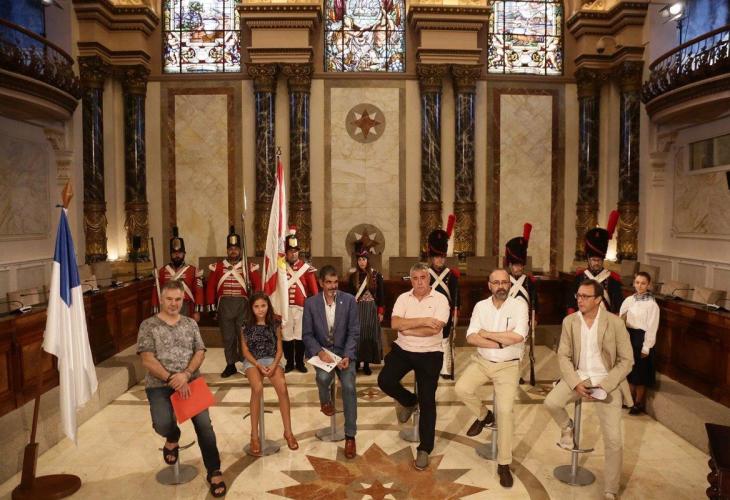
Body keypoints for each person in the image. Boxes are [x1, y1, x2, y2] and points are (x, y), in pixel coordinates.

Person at [544, 280, 634, 500]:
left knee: (613, 440)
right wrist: (575, 382)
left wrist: (605, 386)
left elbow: (627, 360)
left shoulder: (615, 323)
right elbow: (563, 355)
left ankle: (611, 488)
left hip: (607, 381)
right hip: (579, 377)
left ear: (598, 299)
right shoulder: (570, 321)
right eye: (578, 295)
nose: (580, 300)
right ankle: (567, 427)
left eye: (585, 296)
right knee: (551, 402)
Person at [137, 280, 226, 497]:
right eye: (169, 299)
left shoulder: (190, 324)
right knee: (162, 424)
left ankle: (214, 471)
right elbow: (147, 359)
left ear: (183, 300)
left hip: (191, 382)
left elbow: (200, 351)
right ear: (161, 299)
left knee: (205, 427)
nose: (173, 303)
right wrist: (171, 378)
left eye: (178, 299)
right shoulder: (148, 325)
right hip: (160, 384)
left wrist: (185, 374)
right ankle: (172, 437)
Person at [454, 269, 528, 488]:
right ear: (489, 285)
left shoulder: (519, 306)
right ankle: (484, 415)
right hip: (482, 361)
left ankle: (504, 464)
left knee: (505, 412)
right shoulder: (481, 306)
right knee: (461, 388)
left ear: (510, 285)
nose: (501, 286)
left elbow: (518, 336)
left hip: (508, 366)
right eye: (496, 282)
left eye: (505, 282)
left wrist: (486, 334)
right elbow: (471, 337)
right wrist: (501, 342)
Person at [378, 262, 450, 471]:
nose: (419, 282)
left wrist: (408, 327)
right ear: (411, 280)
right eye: (415, 278)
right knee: (385, 380)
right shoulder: (403, 298)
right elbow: (395, 324)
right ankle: (409, 401)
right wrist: (425, 320)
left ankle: (425, 449)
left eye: (423, 278)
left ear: (429, 279)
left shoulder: (441, 299)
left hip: (430, 353)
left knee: (428, 400)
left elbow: (434, 330)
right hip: (403, 349)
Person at [302, 265, 360, 459]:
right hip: (323, 352)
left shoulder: (349, 301)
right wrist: (319, 352)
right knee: (323, 377)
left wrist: (348, 355)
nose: (333, 286)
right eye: (328, 282)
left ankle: (350, 437)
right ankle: (325, 401)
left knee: (349, 387)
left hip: (344, 353)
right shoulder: (311, 303)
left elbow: (354, 332)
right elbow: (307, 334)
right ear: (321, 283)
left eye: (335, 282)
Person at [240, 292, 298, 453]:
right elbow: (245, 351)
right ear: (251, 308)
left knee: (282, 387)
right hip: (253, 361)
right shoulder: (245, 324)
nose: (260, 310)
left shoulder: (275, 322)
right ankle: (254, 436)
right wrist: (257, 365)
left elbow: (279, 349)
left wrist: (274, 364)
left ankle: (288, 432)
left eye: (263, 306)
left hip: (272, 359)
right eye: (256, 306)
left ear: (268, 306)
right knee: (257, 388)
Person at [206, 226, 261, 378]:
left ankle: (247, 363)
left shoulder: (249, 267)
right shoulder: (218, 267)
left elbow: (258, 287)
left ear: (240, 250)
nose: (233, 251)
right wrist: (211, 307)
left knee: (243, 336)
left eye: (236, 248)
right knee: (228, 336)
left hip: (243, 306)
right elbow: (210, 287)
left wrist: (256, 306)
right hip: (224, 306)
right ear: (227, 250)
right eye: (230, 249)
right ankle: (230, 364)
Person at [566, 211, 623, 315]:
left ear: (603, 260)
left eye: (599, 260)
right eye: (593, 260)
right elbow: (571, 300)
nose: (596, 263)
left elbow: (618, 303)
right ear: (588, 260)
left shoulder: (612, 279)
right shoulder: (579, 277)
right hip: (583, 317)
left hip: (605, 318)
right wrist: (572, 317)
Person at [619, 271, 659, 415]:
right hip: (629, 337)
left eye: (643, 283)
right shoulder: (629, 300)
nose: (639, 286)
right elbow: (620, 318)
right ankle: (628, 400)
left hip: (642, 338)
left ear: (648, 285)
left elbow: (652, 327)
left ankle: (638, 403)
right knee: (630, 371)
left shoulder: (652, 304)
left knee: (640, 373)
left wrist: (646, 347)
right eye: (637, 282)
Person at [504, 223, 539, 385]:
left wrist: (535, 318)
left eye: (520, 265)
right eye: (515, 265)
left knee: (521, 349)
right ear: (510, 265)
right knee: (508, 348)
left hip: (523, 320)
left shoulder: (529, 282)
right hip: (506, 320)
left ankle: (516, 374)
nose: (518, 268)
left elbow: (534, 301)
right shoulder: (504, 280)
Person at [426, 216, 460, 379]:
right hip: (429, 310)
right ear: (432, 257)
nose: (440, 260)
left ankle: (445, 368)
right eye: (437, 257)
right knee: (431, 339)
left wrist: (456, 311)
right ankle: (431, 366)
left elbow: (456, 294)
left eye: (442, 257)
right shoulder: (426, 274)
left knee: (445, 339)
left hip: (445, 312)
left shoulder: (451, 275)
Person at [282, 227, 319, 373]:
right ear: (286, 252)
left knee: (300, 336)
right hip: (285, 308)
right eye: (291, 251)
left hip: (302, 308)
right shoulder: (280, 267)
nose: (293, 253)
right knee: (287, 337)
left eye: (296, 251)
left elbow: (314, 291)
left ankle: (299, 362)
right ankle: (289, 362)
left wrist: (315, 309)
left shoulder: (306, 268)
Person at [151, 226, 204, 322]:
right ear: (170, 255)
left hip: (185, 306)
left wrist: (197, 311)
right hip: (167, 306)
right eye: (174, 253)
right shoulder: (162, 271)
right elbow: (156, 291)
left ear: (184, 254)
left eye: (179, 253)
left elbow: (198, 291)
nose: (177, 255)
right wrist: (156, 309)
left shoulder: (193, 270)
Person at [347, 242, 384, 375]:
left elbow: (381, 295)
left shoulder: (376, 275)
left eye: (364, 259)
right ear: (357, 261)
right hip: (357, 309)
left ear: (368, 260)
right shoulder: (353, 276)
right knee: (358, 335)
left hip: (371, 309)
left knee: (369, 335)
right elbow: (350, 296)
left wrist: (381, 312)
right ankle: (357, 362)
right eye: (359, 260)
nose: (362, 262)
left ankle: (367, 364)